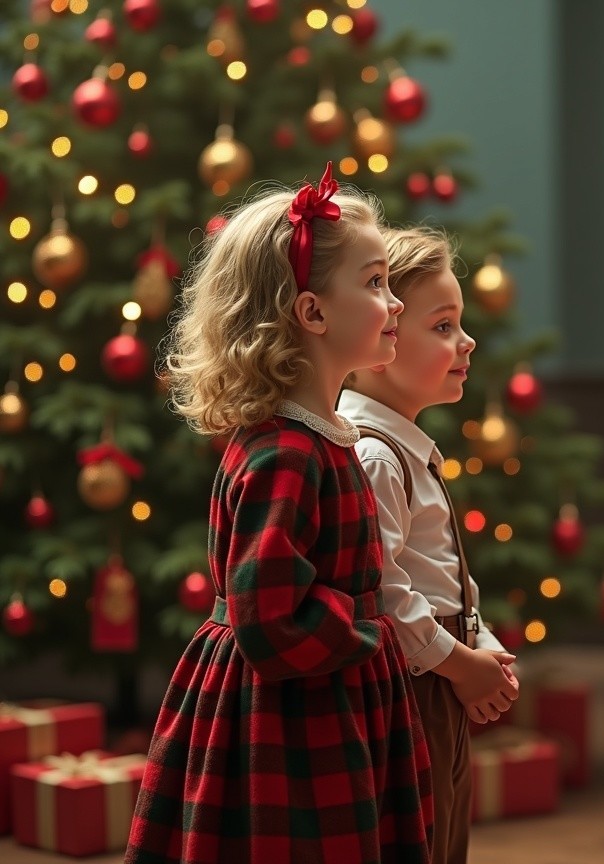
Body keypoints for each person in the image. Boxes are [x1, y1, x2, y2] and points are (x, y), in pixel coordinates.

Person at [126, 164, 433, 864]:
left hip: (332, 689)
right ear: (313, 313)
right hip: (290, 714)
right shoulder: (285, 454)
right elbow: (270, 617)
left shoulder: (324, 438)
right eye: (375, 283)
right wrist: (367, 627)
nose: (394, 302)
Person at [337, 225, 518, 864]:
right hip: (414, 684)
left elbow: (441, 574)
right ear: (381, 341)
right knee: (420, 837)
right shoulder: (374, 456)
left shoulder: (405, 449)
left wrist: (481, 642)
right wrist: (458, 663)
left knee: (446, 833)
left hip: (440, 669)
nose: (466, 341)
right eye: (443, 326)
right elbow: (386, 594)